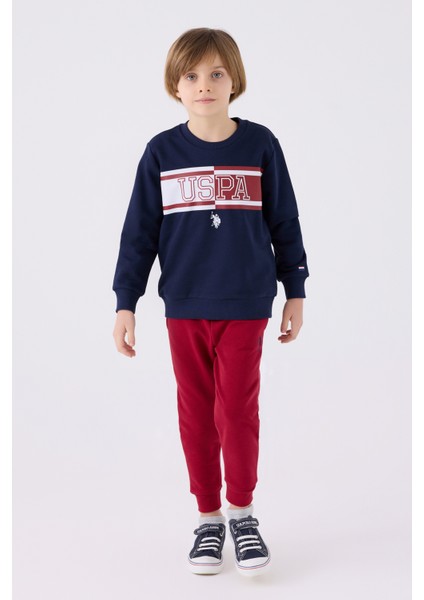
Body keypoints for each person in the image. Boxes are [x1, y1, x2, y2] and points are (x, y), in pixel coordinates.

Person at [112, 27, 309, 577]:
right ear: (175, 86)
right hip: (184, 306)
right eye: (192, 75)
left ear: (234, 81)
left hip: (246, 303)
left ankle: (242, 514)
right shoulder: (161, 152)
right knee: (196, 412)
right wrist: (126, 302)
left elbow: (285, 220)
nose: (205, 85)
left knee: (237, 411)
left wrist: (295, 289)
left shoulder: (261, 145)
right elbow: (138, 234)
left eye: (216, 74)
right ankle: (207, 518)